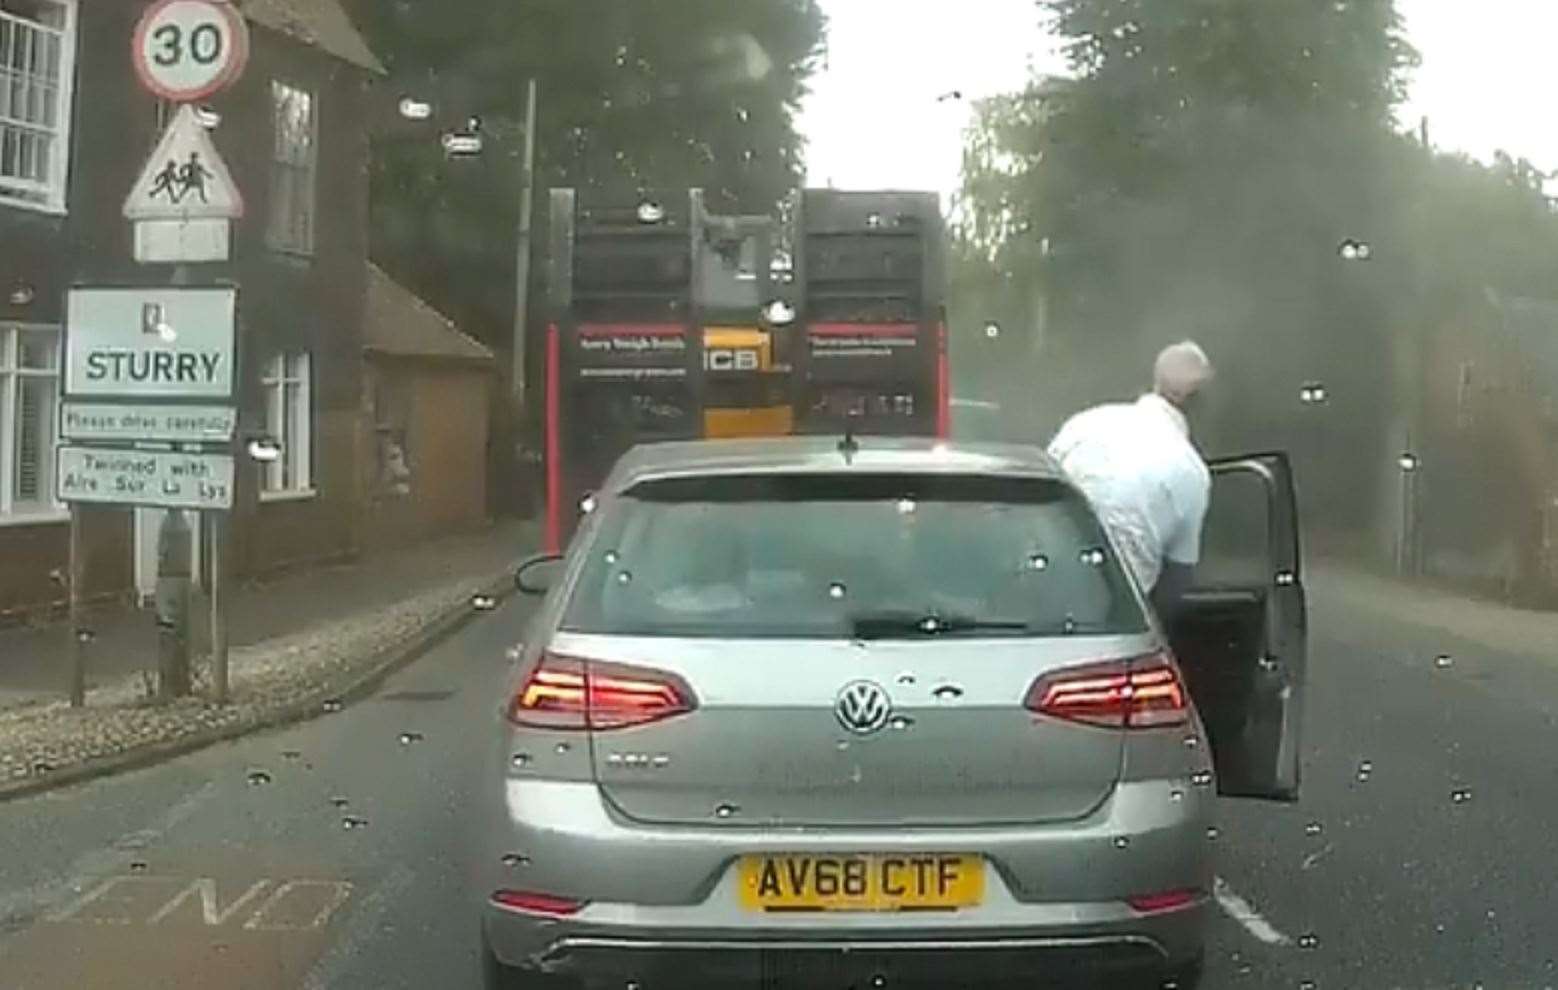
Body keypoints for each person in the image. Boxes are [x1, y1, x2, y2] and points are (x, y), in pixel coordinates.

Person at [1047, 341, 1214, 618]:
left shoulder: (1084, 423)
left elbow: (1038, 491)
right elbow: (1176, 582)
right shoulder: (1190, 471)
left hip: (1038, 596)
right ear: (1198, 401)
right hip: (1113, 618)